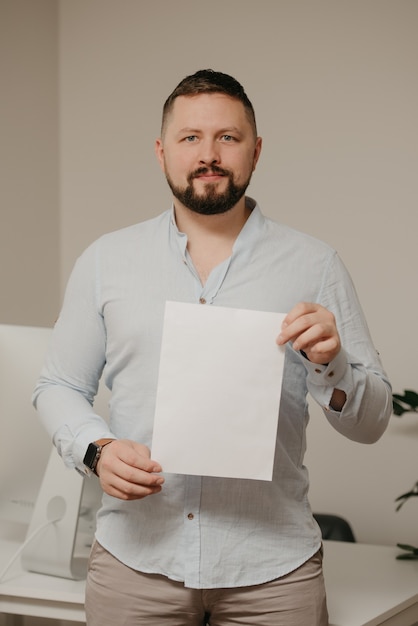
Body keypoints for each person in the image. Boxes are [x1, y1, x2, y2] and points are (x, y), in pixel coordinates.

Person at [33, 69, 391, 626]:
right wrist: (95, 449)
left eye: (228, 137)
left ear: (256, 151)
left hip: (274, 573)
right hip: (135, 563)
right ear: (161, 152)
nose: (209, 154)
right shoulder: (106, 260)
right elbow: (57, 386)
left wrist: (333, 365)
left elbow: (371, 423)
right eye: (190, 138)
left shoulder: (315, 266)